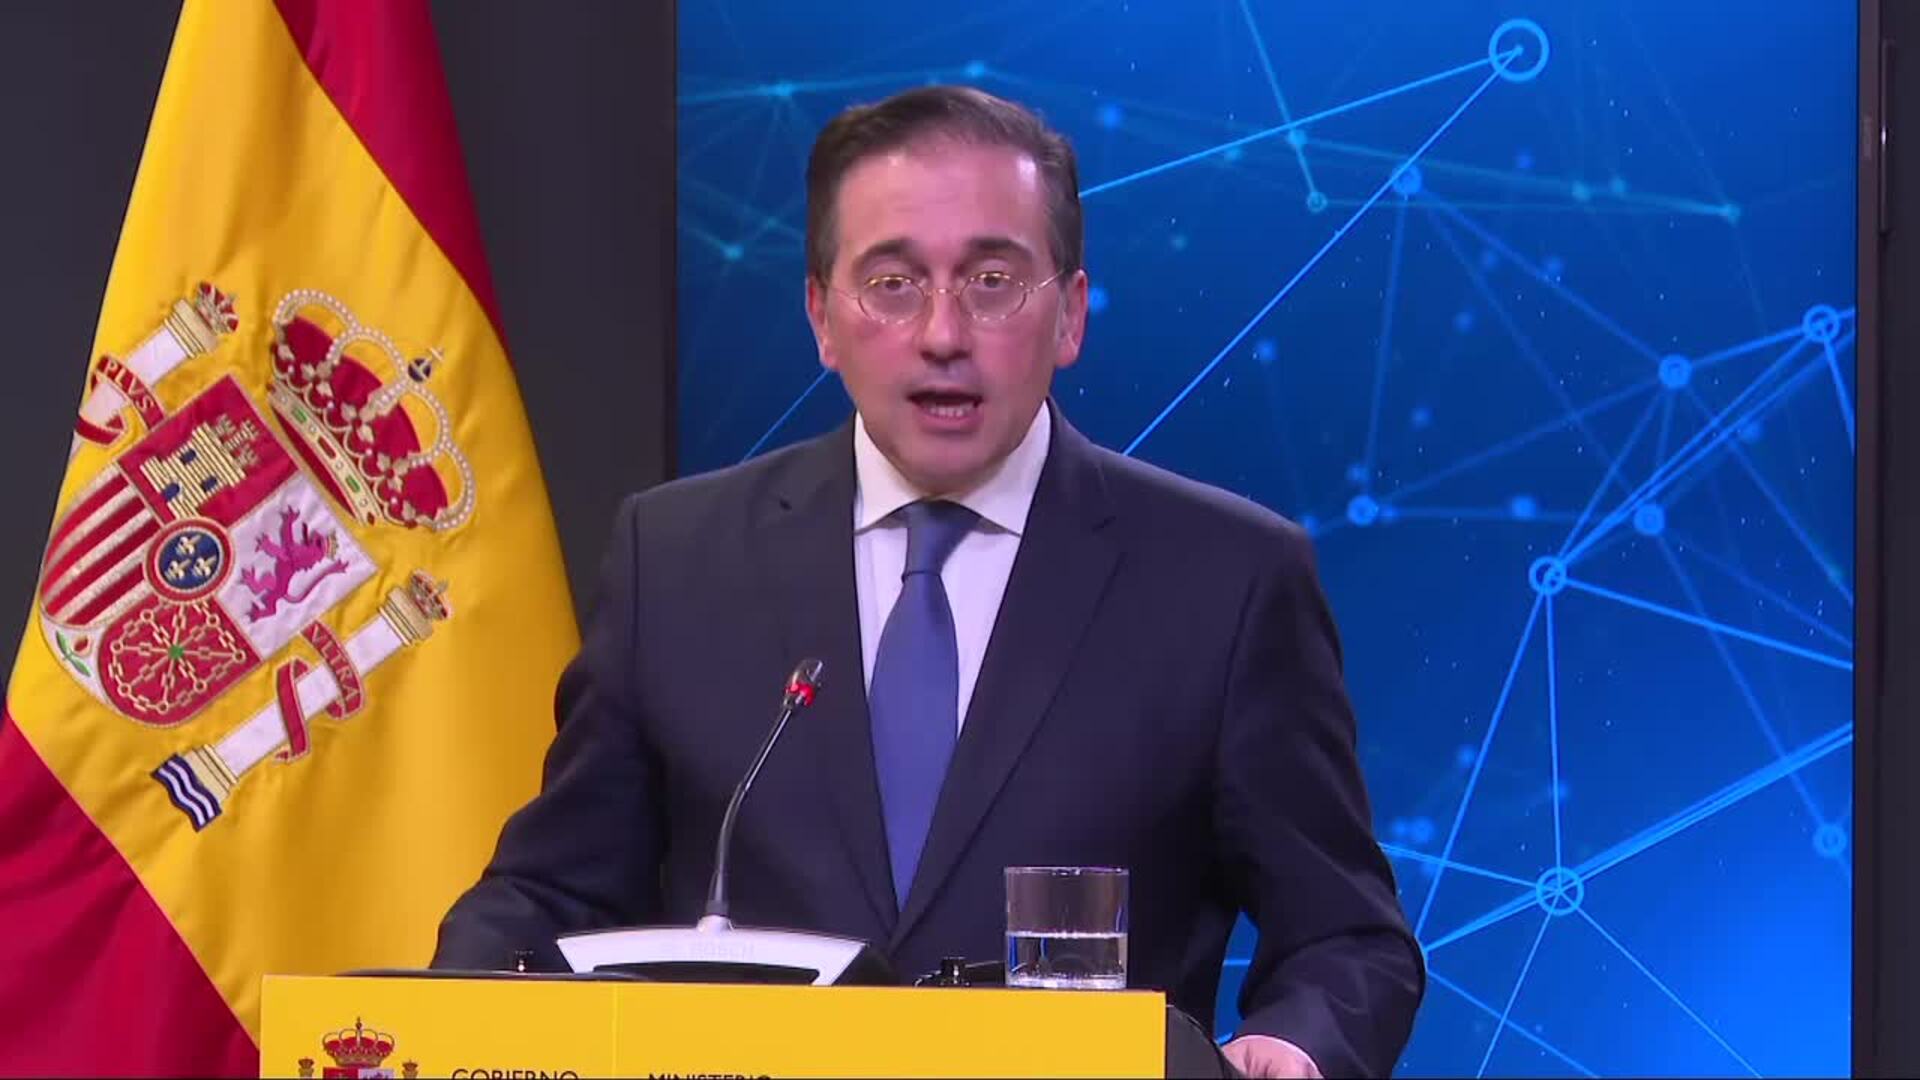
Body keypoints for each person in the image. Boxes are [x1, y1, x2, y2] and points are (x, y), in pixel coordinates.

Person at [432, 85, 1423, 1078]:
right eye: (893, 283)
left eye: (992, 280)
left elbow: (1347, 937)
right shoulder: (678, 557)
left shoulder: (1226, 580)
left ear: (1070, 314)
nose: (943, 332)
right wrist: (430, 1031)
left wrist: (1296, 1043)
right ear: (821, 317)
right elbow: (551, 895)